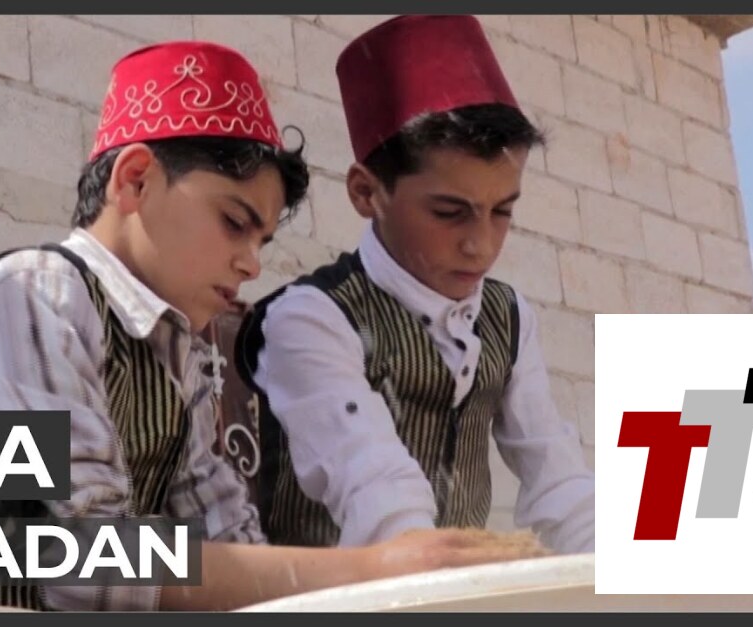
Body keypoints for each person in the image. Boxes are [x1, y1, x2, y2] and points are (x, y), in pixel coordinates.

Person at [0, 39, 545, 612]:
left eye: (261, 239)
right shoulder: (35, 296)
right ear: (135, 180)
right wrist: (372, 568)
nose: (251, 263)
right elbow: (85, 562)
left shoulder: (176, 351)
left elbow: (226, 532)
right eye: (234, 222)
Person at [236, 15, 595, 555]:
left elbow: (559, 480)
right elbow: (377, 492)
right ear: (366, 193)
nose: (480, 245)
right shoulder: (310, 318)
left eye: (502, 211)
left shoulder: (510, 317)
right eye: (449, 212)